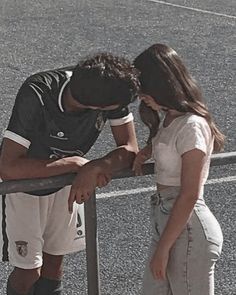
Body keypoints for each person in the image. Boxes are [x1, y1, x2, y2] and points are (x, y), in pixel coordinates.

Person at [0, 53, 140, 295]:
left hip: (66, 183)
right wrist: (73, 163)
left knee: (54, 264)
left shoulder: (108, 87)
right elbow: (8, 166)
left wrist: (96, 166)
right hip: (23, 188)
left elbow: (129, 147)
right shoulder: (38, 92)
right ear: (97, 107)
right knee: (28, 271)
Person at [132, 44, 224, 295]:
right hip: (170, 224)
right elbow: (170, 145)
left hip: (188, 230)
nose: (141, 97)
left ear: (162, 84)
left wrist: (163, 249)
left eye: (145, 89)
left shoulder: (192, 125)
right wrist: (147, 151)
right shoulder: (171, 118)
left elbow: (190, 193)